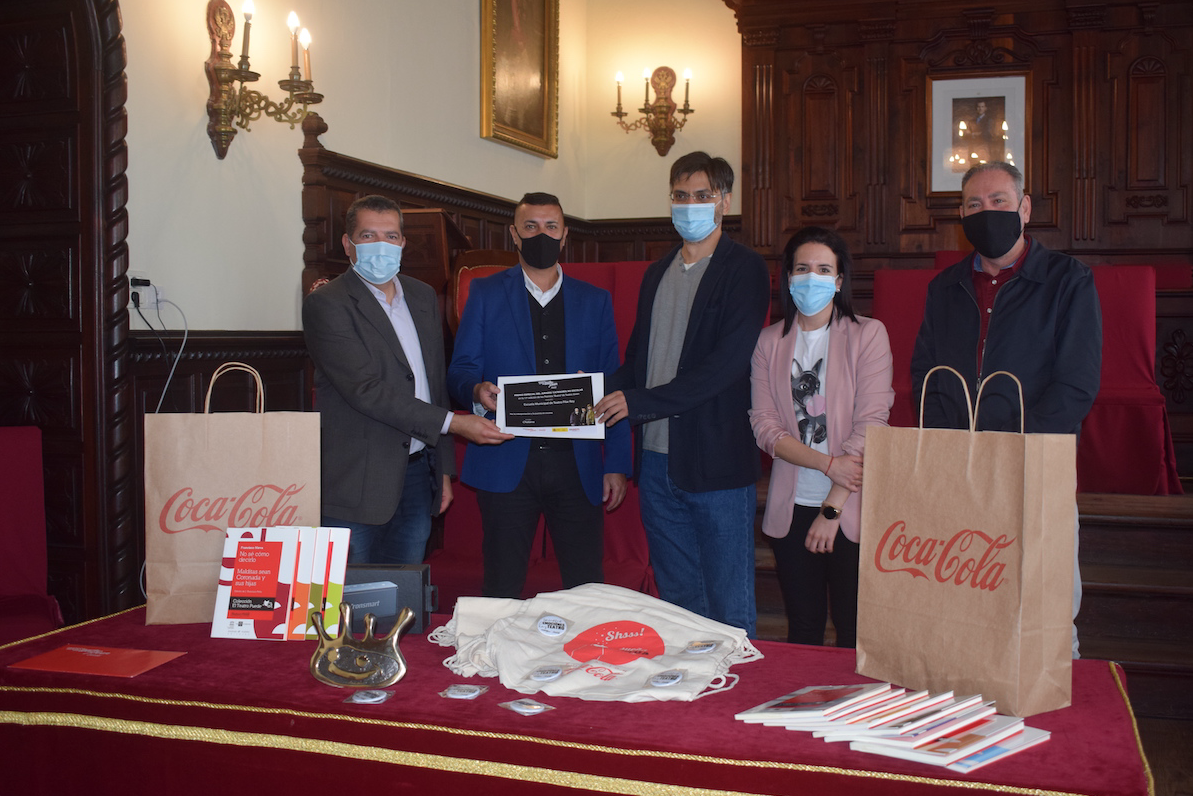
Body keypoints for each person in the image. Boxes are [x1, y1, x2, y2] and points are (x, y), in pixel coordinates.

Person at [910, 161, 1102, 657]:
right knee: (966, 604)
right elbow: (926, 376)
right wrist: (951, 450)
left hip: (1034, 465)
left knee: (1047, 608)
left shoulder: (1068, 281)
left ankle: (1057, 718)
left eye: (998, 201)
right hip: (959, 469)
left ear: (1025, 207)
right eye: (974, 204)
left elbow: (1076, 385)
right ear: (961, 214)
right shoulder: (944, 287)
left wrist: (1012, 449)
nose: (986, 211)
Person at [595, 152, 771, 636]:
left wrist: (641, 402)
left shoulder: (745, 269)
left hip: (715, 459)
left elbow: (726, 366)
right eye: (680, 196)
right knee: (678, 603)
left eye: (701, 196)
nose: (689, 205)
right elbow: (637, 362)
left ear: (724, 201)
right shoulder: (657, 272)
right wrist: (576, 395)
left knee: (728, 604)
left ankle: (733, 701)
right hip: (656, 461)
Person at [303, 195, 511, 565]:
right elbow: (365, 391)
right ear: (348, 244)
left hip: (417, 475)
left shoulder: (422, 295)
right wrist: (457, 425)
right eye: (368, 236)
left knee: (403, 602)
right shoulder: (328, 303)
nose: (381, 246)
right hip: (356, 480)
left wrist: (444, 470)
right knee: (352, 605)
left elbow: (433, 383)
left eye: (391, 236)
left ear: (403, 243)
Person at [447, 192, 631, 598]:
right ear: (515, 234)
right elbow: (460, 370)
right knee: (502, 585)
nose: (541, 235)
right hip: (507, 461)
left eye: (551, 227)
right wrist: (476, 390)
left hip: (576, 465)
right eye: (531, 227)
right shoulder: (484, 293)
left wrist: (615, 462)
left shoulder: (595, 301)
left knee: (586, 588)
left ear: (564, 235)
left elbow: (614, 384)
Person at [749, 227, 893, 647]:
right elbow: (764, 425)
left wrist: (831, 507)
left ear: (839, 280)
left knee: (855, 632)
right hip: (791, 505)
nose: (812, 277)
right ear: (788, 277)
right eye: (802, 268)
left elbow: (872, 423)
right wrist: (827, 464)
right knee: (804, 628)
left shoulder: (868, 334)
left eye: (823, 269)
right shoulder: (768, 342)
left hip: (852, 505)